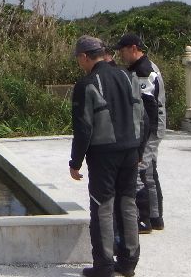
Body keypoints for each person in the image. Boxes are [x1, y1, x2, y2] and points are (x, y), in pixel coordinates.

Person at [70, 35, 142, 277]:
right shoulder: (128, 76)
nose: (79, 62)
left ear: (84, 56)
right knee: (128, 203)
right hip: (130, 150)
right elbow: (141, 115)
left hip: (103, 155)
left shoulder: (87, 84)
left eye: (78, 58)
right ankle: (129, 262)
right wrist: (139, 149)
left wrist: (75, 162)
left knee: (103, 207)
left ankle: (103, 266)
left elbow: (83, 128)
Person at [115, 33, 166, 233]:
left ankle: (143, 220)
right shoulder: (146, 67)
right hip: (154, 125)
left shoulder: (144, 71)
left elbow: (147, 107)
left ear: (133, 48)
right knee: (150, 172)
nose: (121, 54)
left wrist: (142, 140)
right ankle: (155, 217)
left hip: (151, 127)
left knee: (141, 170)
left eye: (123, 50)